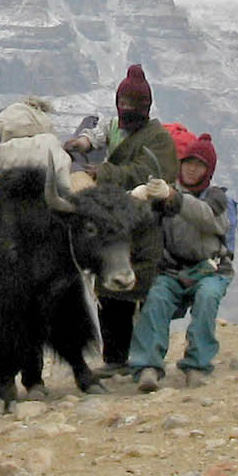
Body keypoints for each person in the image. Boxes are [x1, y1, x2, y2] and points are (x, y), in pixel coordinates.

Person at [65, 64, 180, 368]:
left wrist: (106, 172)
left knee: (140, 292)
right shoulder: (115, 128)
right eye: (123, 104)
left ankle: (144, 360)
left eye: (133, 105)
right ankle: (114, 359)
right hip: (110, 224)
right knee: (109, 293)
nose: (127, 110)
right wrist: (82, 144)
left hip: (144, 224)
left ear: (146, 106)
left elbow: (151, 172)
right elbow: (99, 134)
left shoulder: (158, 139)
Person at [128, 129, 233, 390]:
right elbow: (142, 224)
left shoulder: (217, 198)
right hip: (172, 271)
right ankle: (147, 366)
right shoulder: (166, 194)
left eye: (199, 166)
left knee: (208, 298)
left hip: (210, 270)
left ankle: (197, 365)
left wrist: (174, 198)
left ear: (208, 171)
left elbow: (208, 218)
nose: (191, 170)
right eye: (188, 163)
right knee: (156, 299)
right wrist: (137, 198)